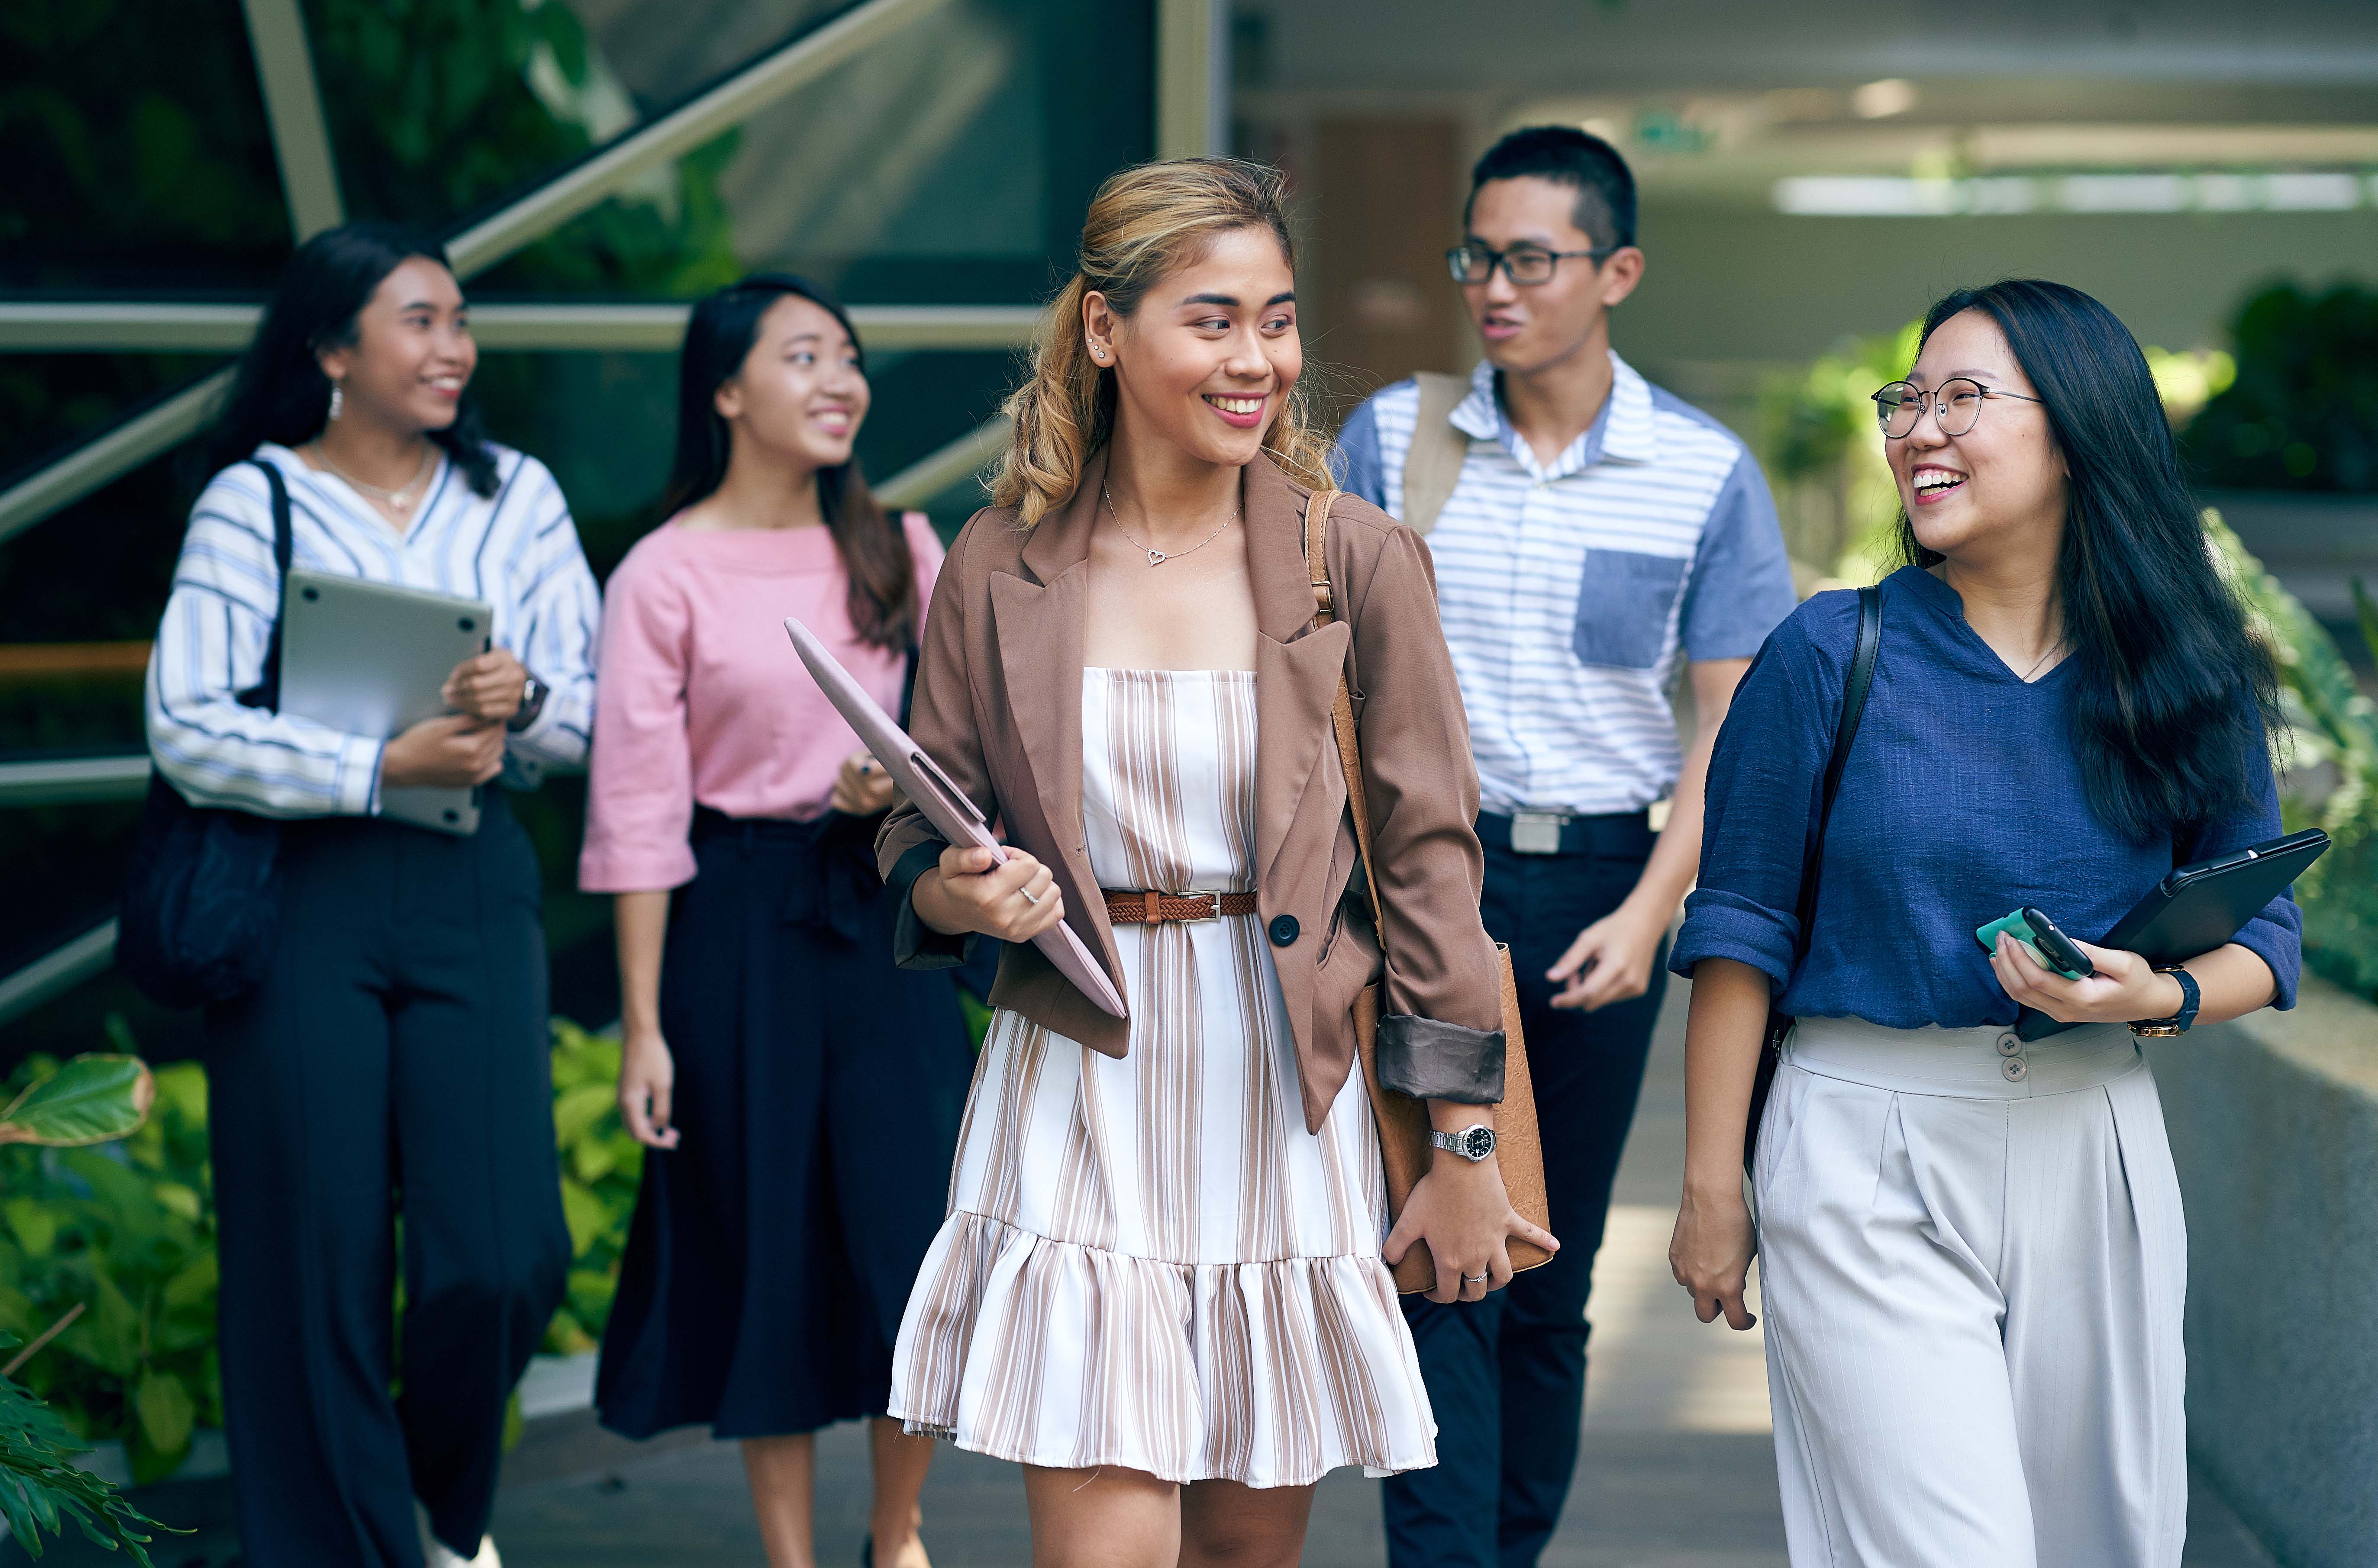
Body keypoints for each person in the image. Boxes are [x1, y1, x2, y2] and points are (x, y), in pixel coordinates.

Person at [874, 156, 1554, 1568]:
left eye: (1279, 319)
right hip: (1081, 1077)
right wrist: (957, 890)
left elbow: (1429, 872)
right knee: (1107, 1548)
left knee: (1247, 1551)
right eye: (1214, 319)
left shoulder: (1352, 560)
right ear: (1106, 331)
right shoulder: (1003, 561)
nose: (1258, 360)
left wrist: (1465, 1145)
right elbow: (915, 822)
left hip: (1280, 1077)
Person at [1667, 279, 2302, 1567]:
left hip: (2094, 1138)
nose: (1918, 429)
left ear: (2077, 431)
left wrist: (2154, 997)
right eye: (1908, 398)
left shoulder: (2189, 669)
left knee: (2101, 1545)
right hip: (1860, 1148)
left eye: (1964, 398)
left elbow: (2265, 939)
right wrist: (1709, 1187)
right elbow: (1738, 931)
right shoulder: (1830, 650)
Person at [1334, 125, 1797, 1566]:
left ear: (1618, 273)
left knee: (1549, 1272)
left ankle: (1503, 1553)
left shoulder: (1702, 474)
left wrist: (1657, 904)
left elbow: (1731, 728)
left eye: (1531, 259)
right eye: (1478, 255)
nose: (1494, 286)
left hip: (1603, 889)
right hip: (1425, 891)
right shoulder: (1390, 445)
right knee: (1433, 1249)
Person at [147, 221, 598, 1568]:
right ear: (333, 349)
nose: (453, 346)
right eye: (419, 320)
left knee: (507, 1253)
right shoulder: (255, 500)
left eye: (460, 320)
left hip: (471, 878)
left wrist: (524, 700)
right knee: (312, 1259)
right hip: (302, 898)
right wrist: (370, 760)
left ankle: (446, 1510)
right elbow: (184, 719)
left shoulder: (518, 495)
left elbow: (590, 721)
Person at [580, 274, 969, 1568]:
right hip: (736, 927)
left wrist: (891, 785)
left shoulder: (904, 547)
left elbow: (964, 752)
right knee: (773, 1241)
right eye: (803, 356)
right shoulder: (662, 571)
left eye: (850, 356)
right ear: (727, 390)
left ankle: (895, 1535)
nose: (839, 379)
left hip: (886, 916)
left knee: (918, 1227)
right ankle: (791, 1559)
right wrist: (643, 1026)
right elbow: (637, 812)